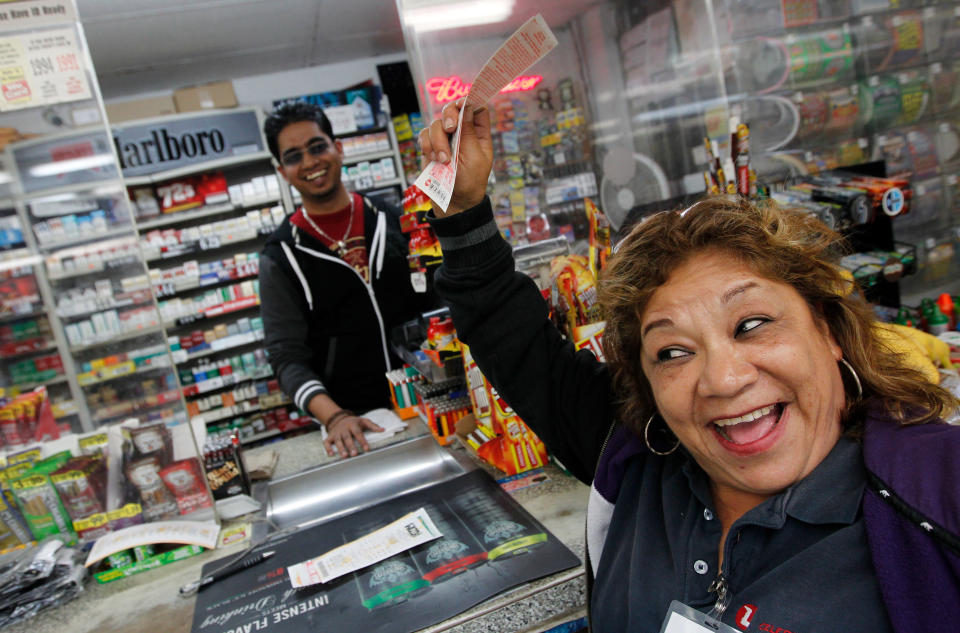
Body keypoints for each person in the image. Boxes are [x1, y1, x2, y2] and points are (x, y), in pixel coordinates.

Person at [418, 100, 960, 632]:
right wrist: (463, 207)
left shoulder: (935, 495)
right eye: (673, 352)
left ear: (828, 331)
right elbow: (511, 337)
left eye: (751, 325)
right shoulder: (636, 453)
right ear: (646, 384)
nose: (724, 380)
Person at [259, 101, 437, 458]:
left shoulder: (394, 219)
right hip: (359, 426)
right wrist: (335, 416)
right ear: (283, 171)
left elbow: (435, 301)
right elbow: (286, 357)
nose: (310, 163)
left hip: (433, 400)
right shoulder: (281, 257)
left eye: (317, 146)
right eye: (294, 156)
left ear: (337, 148)